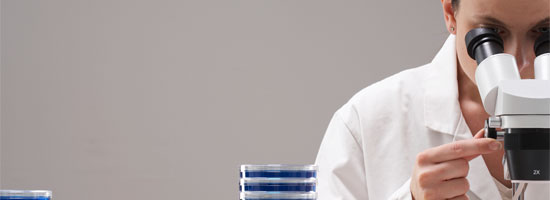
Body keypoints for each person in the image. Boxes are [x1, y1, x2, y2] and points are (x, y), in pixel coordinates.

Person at [314, 0, 550, 199]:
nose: (520, 63)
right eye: (493, 33)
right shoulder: (363, 122)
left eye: (543, 32)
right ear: (450, 13)